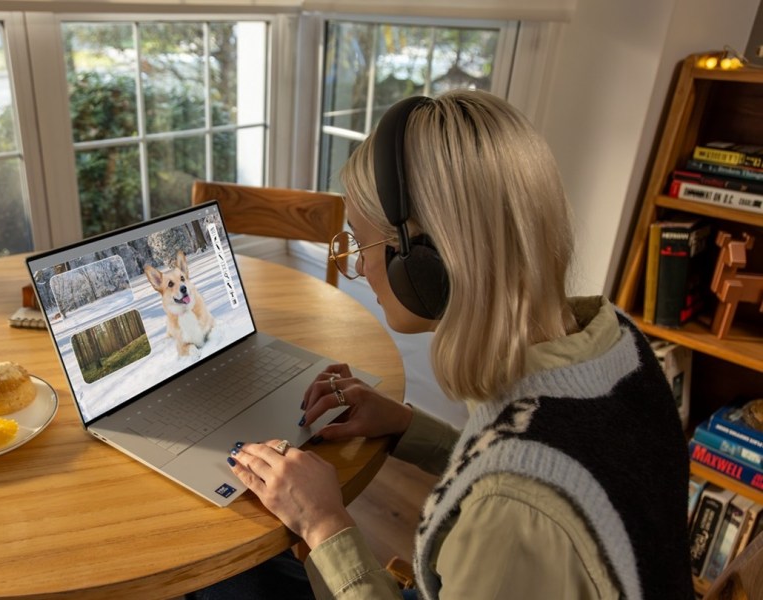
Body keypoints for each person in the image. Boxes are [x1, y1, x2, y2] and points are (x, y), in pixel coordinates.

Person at [188, 90, 694, 599]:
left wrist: (323, 523)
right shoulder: (619, 345)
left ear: (426, 263)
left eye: (363, 243)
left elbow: (518, 493)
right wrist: (407, 425)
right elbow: (544, 459)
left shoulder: (513, 514)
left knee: (215, 579)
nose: (360, 266)